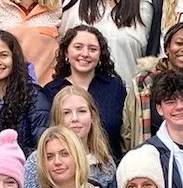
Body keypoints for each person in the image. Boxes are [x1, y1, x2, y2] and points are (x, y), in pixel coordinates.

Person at [22, 84, 117, 188]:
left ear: (92, 116)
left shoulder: (105, 163)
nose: (75, 119)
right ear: (57, 118)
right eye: (66, 113)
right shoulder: (39, 159)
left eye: (82, 111)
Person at [43, 25, 127, 157]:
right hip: (63, 168)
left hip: (109, 167)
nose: (85, 54)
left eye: (92, 49)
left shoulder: (115, 87)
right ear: (66, 52)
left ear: (100, 55)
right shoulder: (50, 91)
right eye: (78, 47)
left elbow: (125, 132)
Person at [0, 30, 51, 157]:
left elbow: (42, 149)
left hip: (23, 173)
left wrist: (7, 160)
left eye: (3, 55)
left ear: (14, 59)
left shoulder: (35, 98)